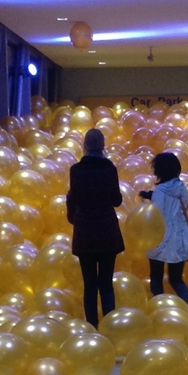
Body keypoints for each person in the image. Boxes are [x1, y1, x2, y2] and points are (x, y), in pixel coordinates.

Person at [66, 127, 124, 327]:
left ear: (85, 145)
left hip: (84, 231)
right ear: (103, 145)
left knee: (90, 284)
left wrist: (74, 217)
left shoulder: (76, 170)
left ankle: (92, 326)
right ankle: (110, 327)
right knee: (106, 284)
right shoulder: (109, 168)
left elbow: (73, 199)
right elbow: (117, 200)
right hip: (107, 230)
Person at [139, 152, 188, 308]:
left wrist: (146, 201)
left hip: (160, 238)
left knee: (156, 277)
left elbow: (156, 213)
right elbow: (181, 207)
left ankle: (160, 308)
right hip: (179, 237)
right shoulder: (181, 187)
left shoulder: (160, 191)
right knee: (176, 278)